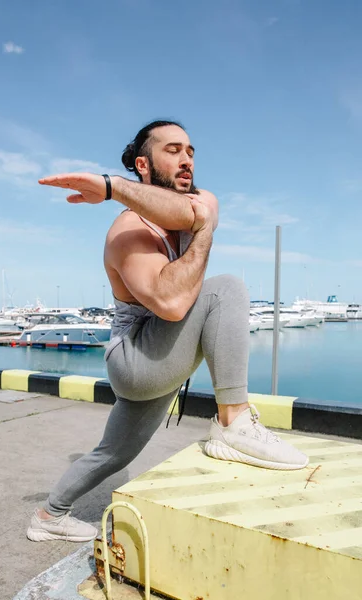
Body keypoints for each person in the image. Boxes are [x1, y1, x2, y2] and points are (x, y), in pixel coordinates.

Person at [27, 120, 308, 542]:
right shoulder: (129, 231)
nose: (187, 159)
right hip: (136, 357)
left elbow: (196, 212)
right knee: (225, 289)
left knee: (114, 454)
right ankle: (233, 421)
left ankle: (49, 517)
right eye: (173, 150)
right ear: (144, 164)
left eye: (191, 151)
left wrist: (110, 187)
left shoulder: (198, 202)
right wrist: (195, 226)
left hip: (160, 355)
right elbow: (174, 305)